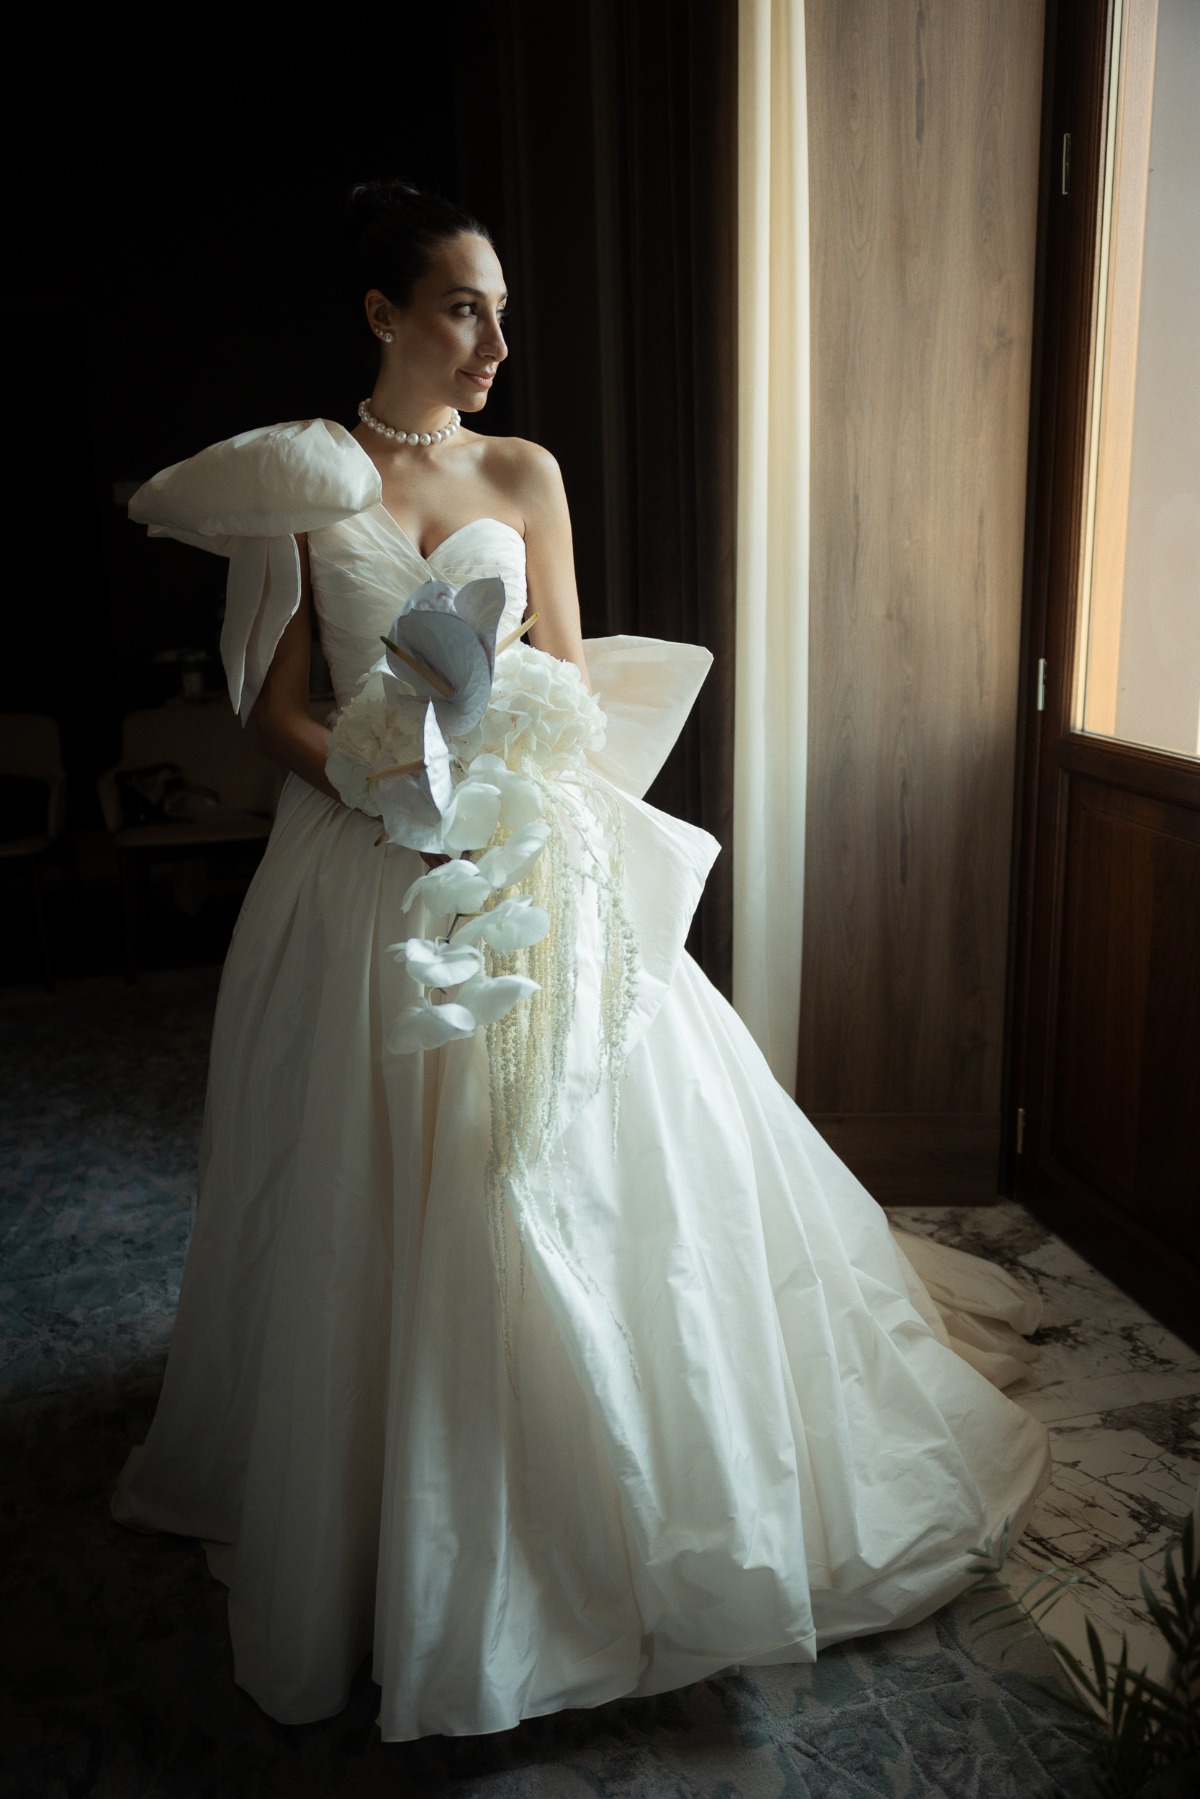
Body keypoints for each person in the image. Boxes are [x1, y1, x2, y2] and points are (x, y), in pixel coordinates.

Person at [113, 179, 1051, 1743]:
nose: (493, 341)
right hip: (366, 869)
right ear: (384, 316)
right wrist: (385, 787)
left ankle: (622, 1499)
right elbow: (269, 711)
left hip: (530, 853)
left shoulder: (526, 469)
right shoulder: (310, 480)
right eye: (465, 308)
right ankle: (405, 1504)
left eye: (501, 312)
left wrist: (504, 775)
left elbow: (563, 667)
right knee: (382, 1179)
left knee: (577, 1163)